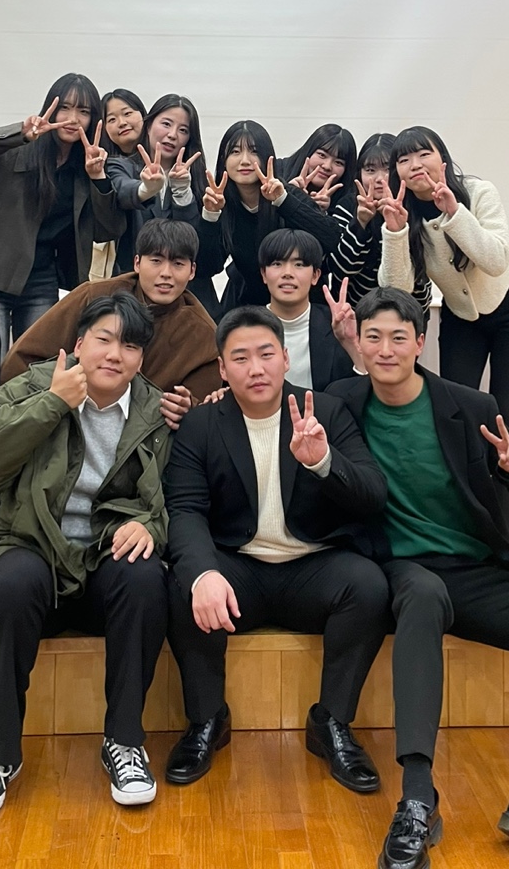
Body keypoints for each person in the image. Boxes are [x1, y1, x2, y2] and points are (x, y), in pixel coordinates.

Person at [327, 288, 509, 869]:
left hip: (474, 570)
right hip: (400, 569)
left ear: (420, 342)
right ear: (358, 342)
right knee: (424, 595)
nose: (385, 349)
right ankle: (416, 799)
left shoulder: (470, 406)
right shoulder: (341, 404)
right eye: (373, 337)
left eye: (399, 337)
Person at [0, 294, 171, 815]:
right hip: (31, 543)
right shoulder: (35, 384)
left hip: (101, 556)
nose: (115, 354)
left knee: (144, 577)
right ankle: (0, 753)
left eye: (130, 345)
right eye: (104, 339)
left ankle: (125, 741)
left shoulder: (155, 412)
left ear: (141, 358)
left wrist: (148, 525)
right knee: (10, 583)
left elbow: (173, 497)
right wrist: (51, 403)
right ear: (79, 343)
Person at [163, 305, 390, 793]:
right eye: (240, 358)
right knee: (184, 583)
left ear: (286, 359)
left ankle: (332, 722)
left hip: (313, 567)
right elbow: (184, 510)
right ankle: (206, 719)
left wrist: (323, 461)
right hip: (238, 570)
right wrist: (203, 574)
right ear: (222, 369)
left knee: (368, 586)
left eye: (267, 354)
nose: (256, 368)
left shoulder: (324, 412)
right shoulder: (201, 426)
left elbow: (373, 495)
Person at [378, 125, 509, 536]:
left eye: (423, 154)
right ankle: (461, 513)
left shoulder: (478, 192)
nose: (415, 165)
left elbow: (495, 260)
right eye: (404, 160)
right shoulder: (404, 211)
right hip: (461, 317)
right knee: (454, 411)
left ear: (443, 159)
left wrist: (454, 214)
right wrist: (395, 231)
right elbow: (396, 290)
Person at [0, 73, 125, 350]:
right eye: (65, 107)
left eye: (83, 111)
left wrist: (98, 178)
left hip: (41, 280)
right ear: (49, 108)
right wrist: (19, 133)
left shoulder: (87, 166)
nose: (73, 118)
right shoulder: (16, 151)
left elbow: (108, 230)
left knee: (35, 362)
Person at [0, 219, 221, 406]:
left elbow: (203, 408)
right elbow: (24, 359)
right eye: (156, 261)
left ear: (192, 271)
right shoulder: (93, 296)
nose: (166, 273)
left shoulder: (204, 335)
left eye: (178, 264)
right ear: (137, 263)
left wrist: (187, 410)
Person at [197, 120, 341, 312]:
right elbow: (207, 267)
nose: (245, 160)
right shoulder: (221, 204)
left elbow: (333, 238)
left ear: (268, 158)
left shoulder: (287, 194)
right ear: (224, 160)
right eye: (235, 151)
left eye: (254, 151)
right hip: (254, 309)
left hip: (304, 307)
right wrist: (210, 216)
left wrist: (282, 201)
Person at [106, 93, 207, 280]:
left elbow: (197, 247)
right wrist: (146, 189)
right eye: (166, 124)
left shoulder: (197, 180)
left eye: (183, 130)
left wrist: (183, 194)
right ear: (148, 125)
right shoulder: (121, 165)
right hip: (132, 284)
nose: (172, 135)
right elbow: (121, 190)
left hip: (183, 286)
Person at [330, 135, 434, 315]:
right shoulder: (348, 206)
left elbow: (423, 271)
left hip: (408, 313)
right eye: (370, 170)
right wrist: (360, 223)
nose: (379, 178)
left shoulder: (414, 205)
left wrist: (397, 228)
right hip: (356, 313)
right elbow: (341, 270)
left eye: (387, 169)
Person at [258, 228, 362, 391]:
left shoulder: (337, 325)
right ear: (264, 274)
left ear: (315, 276)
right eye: (277, 264)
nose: (287, 273)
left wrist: (350, 343)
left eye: (299, 264)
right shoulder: (245, 326)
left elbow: (361, 391)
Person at [90, 88, 148, 279]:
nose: (121, 123)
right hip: (125, 270)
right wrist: (147, 188)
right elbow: (123, 187)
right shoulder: (106, 166)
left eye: (127, 113)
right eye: (112, 119)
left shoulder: (167, 159)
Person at [278, 122, 357, 219]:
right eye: (322, 155)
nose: (327, 166)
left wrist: (321, 213)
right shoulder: (277, 171)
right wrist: (288, 195)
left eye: (338, 162)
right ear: (309, 151)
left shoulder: (348, 203)